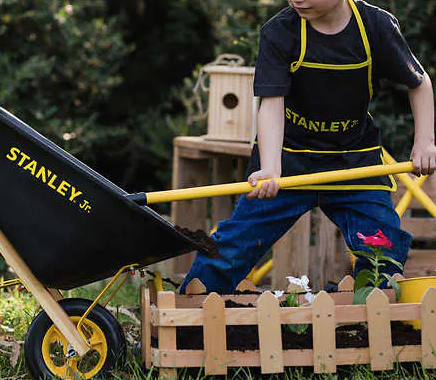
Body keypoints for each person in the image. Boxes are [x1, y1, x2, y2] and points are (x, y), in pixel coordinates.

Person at [181, 0, 436, 294]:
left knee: (383, 244)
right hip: (288, 161)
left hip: (355, 163)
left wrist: (424, 142)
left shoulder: (376, 26)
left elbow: (419, 82)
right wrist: (271, 168)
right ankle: (190, 311)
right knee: (236, 243)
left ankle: (370, 315)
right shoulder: (280, 31)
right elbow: (271, 103)